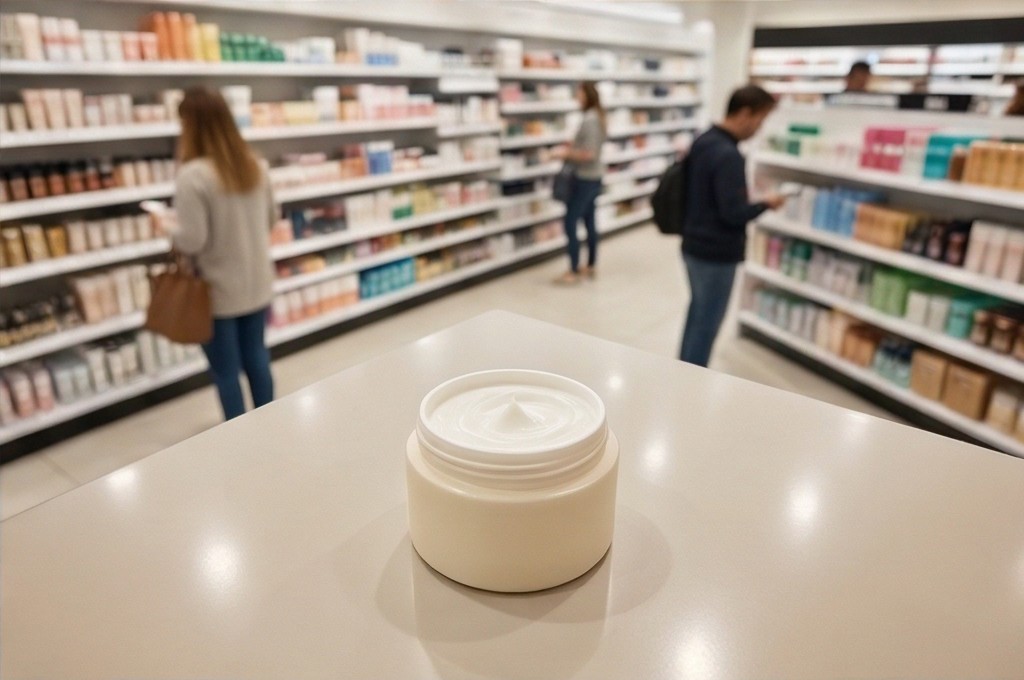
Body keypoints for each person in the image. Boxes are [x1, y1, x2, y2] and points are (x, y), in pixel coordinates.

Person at [170, 86, 277, 420]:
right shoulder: (254, 165)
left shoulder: (193, 176)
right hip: (256, 284)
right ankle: (271, 423)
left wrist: (165, 229)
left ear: (190, 125)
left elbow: (192, 241)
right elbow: (271, 219)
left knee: (226, 371)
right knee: (257, 358)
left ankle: (238, 435)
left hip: (216, 293)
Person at [678, 85, 786, 367]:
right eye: (761, 120)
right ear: (745, 114)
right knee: (706, 324)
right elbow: (733, 214)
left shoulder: (704, 140)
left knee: (697, 314)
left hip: (693, 244)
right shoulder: (729, 155)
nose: (759, 128)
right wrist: (766, 203)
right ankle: (692, 377)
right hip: (716, 252)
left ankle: (682, 369)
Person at [554, 82, 606, 284]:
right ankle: (591, 265)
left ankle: (574, 269)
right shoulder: (596, 116)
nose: (577, 96)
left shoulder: (590, 119)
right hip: (593, 177)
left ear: (587, 95)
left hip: (585, 178)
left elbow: (589, 154)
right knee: (589, 221)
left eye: (579, 93)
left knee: (570, 221)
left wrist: (564, 153)